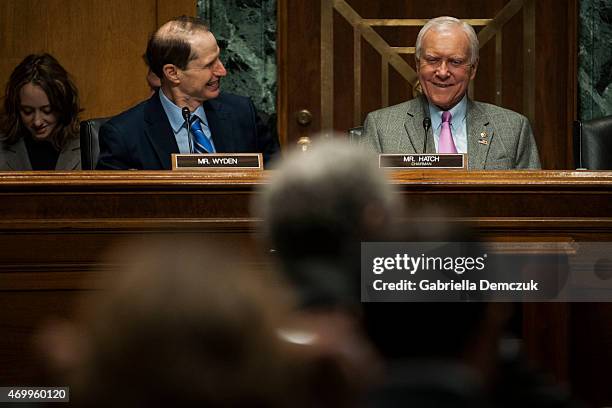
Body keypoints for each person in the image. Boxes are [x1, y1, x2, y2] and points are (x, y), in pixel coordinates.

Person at [96, 16, 279, 170]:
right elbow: (113, 207)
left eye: (218, 59)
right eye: (209, 65)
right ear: (173, 73)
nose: (222, 71)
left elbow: (278, 183)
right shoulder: (124, 135)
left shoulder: (243, 114)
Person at [361, 16, 541, 170]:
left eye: (455, 62)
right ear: (417, 64)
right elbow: (364, 202)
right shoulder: (381, 128)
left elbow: (532, 204)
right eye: (432, 60)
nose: (442, 72)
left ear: (473, 68)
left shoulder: (513, 128)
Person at [0, 53, 81, 170]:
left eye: (47, 110)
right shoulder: (3, 149)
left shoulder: (86, 146)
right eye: (27, 111)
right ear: (16, 108)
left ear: (63, 105)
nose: (37, 122)